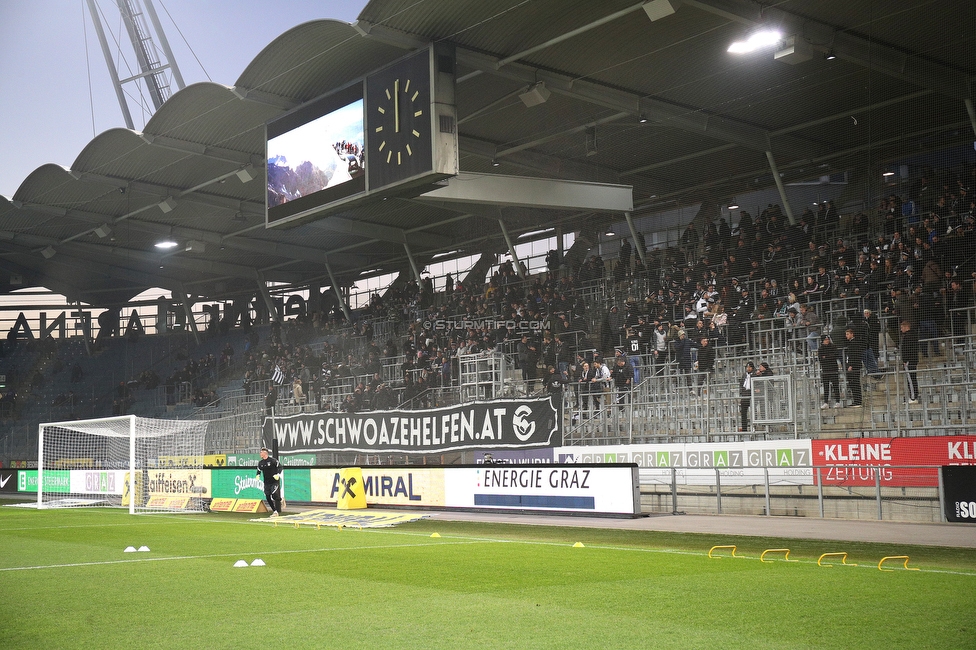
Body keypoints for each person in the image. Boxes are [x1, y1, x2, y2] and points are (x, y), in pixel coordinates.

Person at [256, 447, 283, 517]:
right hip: (266, 482)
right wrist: (258, 475)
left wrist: (278, 474)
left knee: (274, 496)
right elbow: (259, 470)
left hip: (274, 481)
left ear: (265, 453)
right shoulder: (260, 463)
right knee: (268, 497)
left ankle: (281, 499)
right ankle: (275, 511)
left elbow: (280, 467)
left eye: (261, 452)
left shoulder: (272, 461)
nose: (260, 454)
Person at [817, 334, 841, 408]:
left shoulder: (833, 346)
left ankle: (838, 401)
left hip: (833, 368)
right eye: (826, 339)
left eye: (828, 339)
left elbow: (835, 355)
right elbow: (821, 359)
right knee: (826, 386)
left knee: (835, 385)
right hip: (825, 369)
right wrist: (829, 357)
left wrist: (826, 357)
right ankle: (826, 402)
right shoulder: (820, 349)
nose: (827, 340)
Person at [899, 319, 920, 404]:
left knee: (911, 379)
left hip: (909, 361)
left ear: (906, 327)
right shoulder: (913, 335)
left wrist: (905, 360)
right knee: (912, 378)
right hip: (913, 359)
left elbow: (907, 349)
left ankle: (913, 397)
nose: (901, 329)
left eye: (902, 327)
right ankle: (913, 396)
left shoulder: (908, 337)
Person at [844, 328, 864, 408]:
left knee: (855, 383)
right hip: (852, 366)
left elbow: (855, 355)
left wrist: (851, 365)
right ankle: (856, 400)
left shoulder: (855, 343)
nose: (846, 336)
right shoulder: (850, 343)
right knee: (852, 383)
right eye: (846, 334)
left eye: (848, 334)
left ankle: (858, 401)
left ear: (852, 334)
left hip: (854, 366)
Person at [739, 362, 755, 431]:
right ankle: (744, 428)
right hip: (744, 395)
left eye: (749, 367)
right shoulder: (744, 375)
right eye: (747, 367)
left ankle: (754, 427)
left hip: (752, 395)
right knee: (743, 412)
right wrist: (741, 392)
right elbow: (741, 385)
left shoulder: (755, 375)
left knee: (753, 412)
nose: (748, 368)